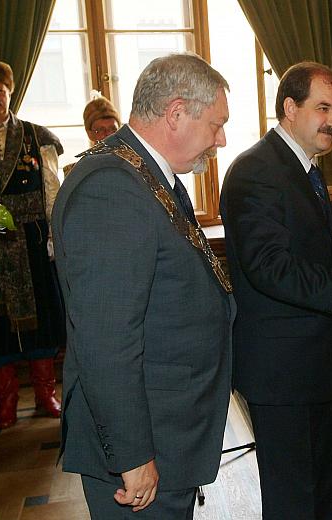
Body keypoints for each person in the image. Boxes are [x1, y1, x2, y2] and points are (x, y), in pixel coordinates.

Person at [52, 53, 233, 518]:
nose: (221, 139)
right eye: (215, 125)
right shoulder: (111, 188)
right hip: (141, 450)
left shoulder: (148, 174)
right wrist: (132, 456)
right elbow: (106, 340)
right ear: (175, 113)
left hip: (168, 432)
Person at [220, 61, 332, 520]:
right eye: (323, 108)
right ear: (290, 107)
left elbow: (303, 249)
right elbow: (270, 268)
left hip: (309, 364)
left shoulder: (302, 166)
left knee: (319, 495)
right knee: (293, 501)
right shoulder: (255, 170)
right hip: (280, 371)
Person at [0, 51, 65, 430]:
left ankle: (46, 394)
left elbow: (52, 188)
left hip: (33, 241)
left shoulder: (37, 136)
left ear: (10, 92)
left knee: (42, 323)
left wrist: (54, 236)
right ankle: (6, 402)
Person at [63, 92, 122, 177]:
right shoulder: (75, 173)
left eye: (113, 129)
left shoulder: (134, 166)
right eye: (101, 130)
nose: (109, 134)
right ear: (89, 133)